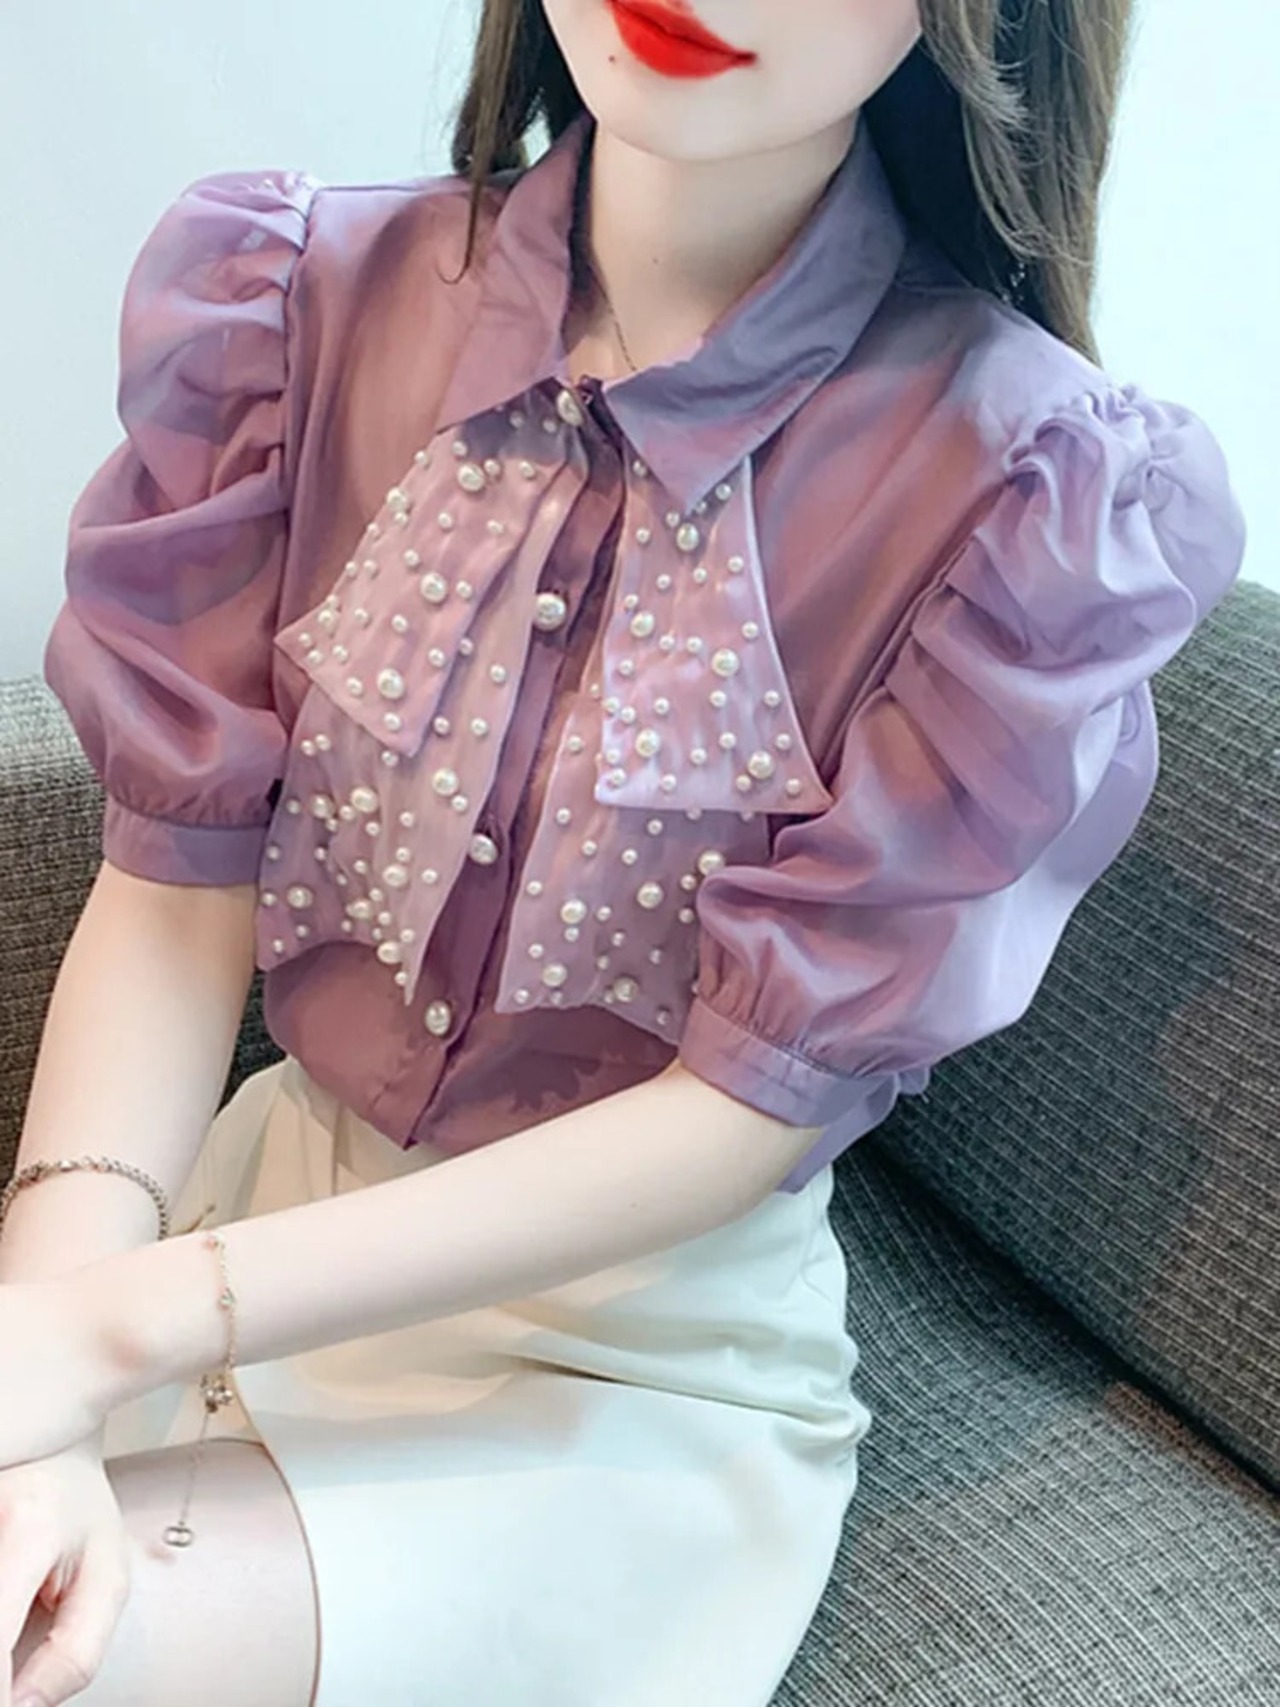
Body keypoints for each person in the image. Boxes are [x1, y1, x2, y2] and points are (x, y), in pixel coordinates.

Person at [0, 0, 1248, 1701]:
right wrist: (53, 1361)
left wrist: (105, 1333)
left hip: (619, 1376)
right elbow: (172, 893)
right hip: (237, 1214)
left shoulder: (1032, 491)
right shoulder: (288, 304)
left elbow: (748, 1105)